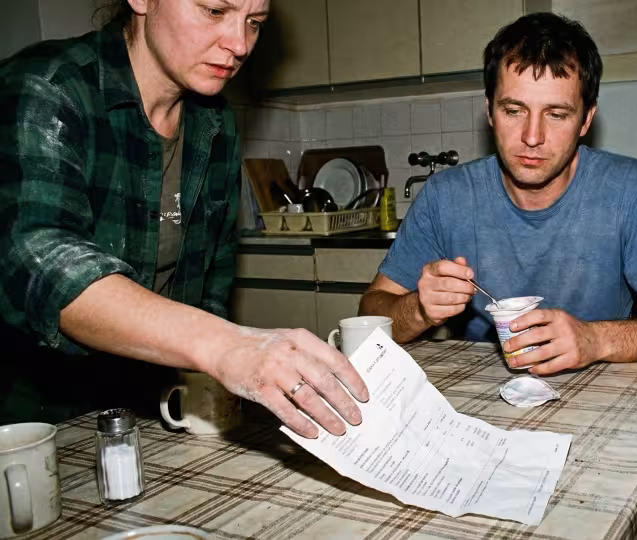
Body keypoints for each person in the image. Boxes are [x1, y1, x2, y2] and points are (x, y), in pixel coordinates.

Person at [0, 0, 367, 438]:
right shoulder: (48, 86)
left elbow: (212, 282)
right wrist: (228, 346)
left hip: (152, 407)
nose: (238, 44)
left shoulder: (215, 122)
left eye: (254, 23)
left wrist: (201, 394)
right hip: (39, 419)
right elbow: (42, 259)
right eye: (214, 11)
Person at [359, 12, 637, 375]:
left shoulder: (632, 191)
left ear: (586, 120)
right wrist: (419, 308)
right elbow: (371, 311)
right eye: (514, 110)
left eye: (556, 115)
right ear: (490, 112)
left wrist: (596, 339)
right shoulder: (444, 197)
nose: (532, 137)